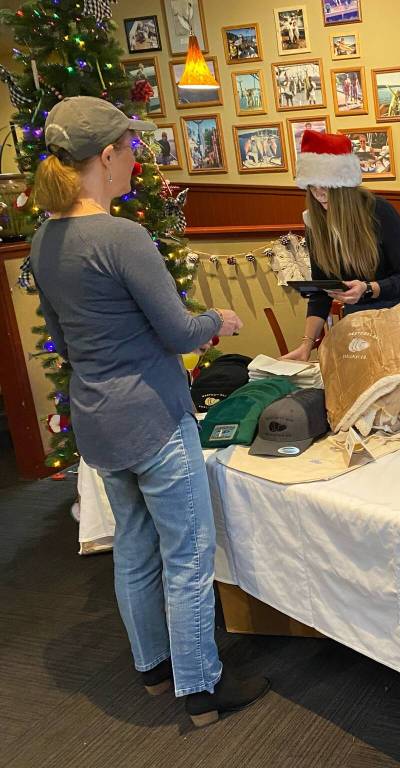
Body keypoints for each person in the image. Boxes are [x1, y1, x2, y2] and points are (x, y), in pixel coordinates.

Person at [28, 96, 267, 725]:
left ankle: (155, 670)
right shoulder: (122, 236)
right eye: (130, 150)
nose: (136, 160)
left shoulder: (44, 240)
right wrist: (219, 320)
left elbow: (63, 340)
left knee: (134, 546)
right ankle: (202, 688)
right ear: (106, 157)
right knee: (188, 554)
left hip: (97, 421)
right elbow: (179, 331)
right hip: (153, 418)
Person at [283, 131, 400, 361]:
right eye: (312, 186)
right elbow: (321, 294)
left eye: (326, 185)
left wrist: (368, 288)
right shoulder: (315, 223)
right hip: (359, 321)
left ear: (343, 186)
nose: (319, 194)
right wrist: (306, 345)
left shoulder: (379, 211)